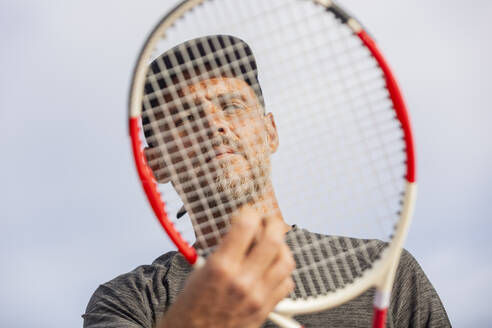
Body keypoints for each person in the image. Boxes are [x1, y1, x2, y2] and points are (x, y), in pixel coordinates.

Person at [83, 35, 451, 327]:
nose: (214, 125)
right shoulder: (130, 300)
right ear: (155, 164)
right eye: (184, 118)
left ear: (270, 132)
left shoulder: (385, 271)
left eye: (232, 106)